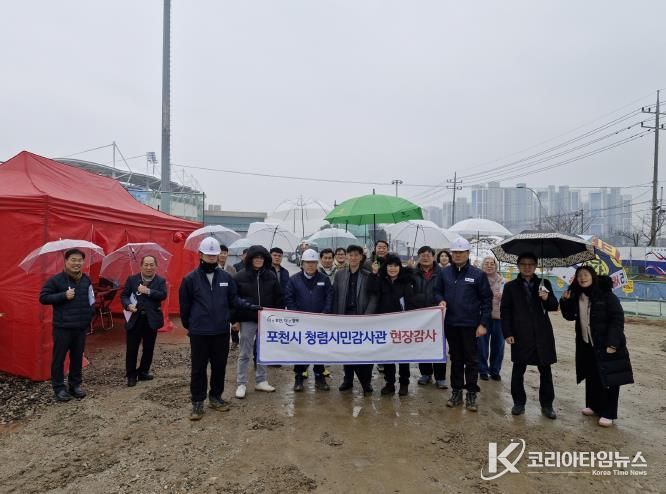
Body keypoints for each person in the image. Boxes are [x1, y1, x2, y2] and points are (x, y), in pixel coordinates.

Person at [179, 237, 257, 420]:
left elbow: (234, 300)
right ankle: (197, 402)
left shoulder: (226, 278)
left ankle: (215, 397)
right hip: (199, 333)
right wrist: (192, 326)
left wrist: (250, 306)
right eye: (209, 255)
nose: (212, 258)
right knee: (198, 369)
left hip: (221, 331)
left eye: (214, 255)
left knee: (219, 366)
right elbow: (185, 308)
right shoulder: (190, 279)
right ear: (200, 255)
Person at [560, 266, 633, 427]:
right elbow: (569, 316)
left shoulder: (606, 295)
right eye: (579, 275)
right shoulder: (577, 295)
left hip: (606, 344)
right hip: (587, 344)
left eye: (586, 275)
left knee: (609, 379)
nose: (582, 278)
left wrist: (613, 343)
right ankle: (594, 406)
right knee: (592, 376)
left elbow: (617, 319)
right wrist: (565, 301)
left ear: (592, 276)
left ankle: (608, 413)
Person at [434, 237, 492, 412]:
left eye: (461, 252)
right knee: (456, 359)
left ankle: (471, 393)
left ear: (467, 253)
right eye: (455, 252)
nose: (457, 255)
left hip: (470, 325)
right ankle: (457, 392)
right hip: (451, 324)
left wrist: (483, 324)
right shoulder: (444, 273)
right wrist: (440, 300)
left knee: (472, 360)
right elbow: (437, 291)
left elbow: (487, 301)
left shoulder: (478, 274)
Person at [500, 252, 559, 419]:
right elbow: (505, 311)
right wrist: (508, 332)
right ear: (518, 266)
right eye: (523, 264)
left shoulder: (544, 283)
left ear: (535, 266)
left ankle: (547, 405)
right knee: (518, 370)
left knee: (545, 370)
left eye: (531, 264)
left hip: (542, 334)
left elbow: (554, 306)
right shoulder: (511, 286)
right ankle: (519, 403)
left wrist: (546, 297)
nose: (527, 267)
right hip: (520, 334)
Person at [39, 249, 95, 402]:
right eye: (73, 260)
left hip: (80, 327)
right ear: (66, 261)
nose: (77, 263)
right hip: (63, 327)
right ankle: (59, 388)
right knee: (59, 358)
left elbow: (91, 299)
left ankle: (75, 385)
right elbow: (43, 297)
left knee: (77, 357)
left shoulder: (86, 279)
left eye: (79, 260)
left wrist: (90, 314)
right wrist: (63, 295)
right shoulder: (56, 280)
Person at [232, 245, 283, 399]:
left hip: (266, 320)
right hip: (247, 319)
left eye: (261, 257)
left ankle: (261, 380)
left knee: (263, 351)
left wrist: (277, 316)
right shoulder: (239, 276)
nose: (259, 260)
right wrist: (235, 320)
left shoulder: (271, 276)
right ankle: (241, 383)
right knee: (244, 353)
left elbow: (278, 298)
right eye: (256, 257)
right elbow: (234, 300)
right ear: (250, 259)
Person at [285, 248, 333, 392]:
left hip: (320, 322)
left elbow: (329, 298)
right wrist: (298, 315)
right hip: (301, 323)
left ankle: (319, 377)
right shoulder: (294, 280)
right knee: (300, 350)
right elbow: (289, 299)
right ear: (302, 263)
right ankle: (299, 378)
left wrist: (324, 314)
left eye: (313, 262)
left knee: (319, 350)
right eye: (307, 262)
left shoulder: (324, 279)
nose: (310, 265)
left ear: (317, 263)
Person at [368, 253, 416, 396]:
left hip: (402, 324)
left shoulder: (405, 282)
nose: (392, 269)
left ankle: (404, 383)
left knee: (403, 356)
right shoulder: (381, 280)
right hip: (385, 323)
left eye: (396, 266)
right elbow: (371, 289)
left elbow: (411, 301)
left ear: (400, 267)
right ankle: (389, 383)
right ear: (386, 267)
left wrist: (410, 269)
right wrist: (374, 273)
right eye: (390, 266)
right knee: (388, 355)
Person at [332, 244, 376, 395]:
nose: (353, 258)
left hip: (362, 318)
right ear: (346, 257)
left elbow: (373, 298)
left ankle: (366, 382)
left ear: (361, 257)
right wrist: (335, 316)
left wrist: (367, 316)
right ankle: (348, 379)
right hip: (345, 317)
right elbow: (335, 296)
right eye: (350, 255)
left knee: (365, 351)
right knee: (347, 350)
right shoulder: (340, 275)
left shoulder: (368, 275)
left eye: (356, 255)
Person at [121, 255, 168, 387]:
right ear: (141, 266)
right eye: (146, 264)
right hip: (134, 319)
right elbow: (124, 295)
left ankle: (143, 371)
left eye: (151, 264)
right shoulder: (132, 279)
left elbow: (163, 295)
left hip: (151, 320)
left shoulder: (160, 280)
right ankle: (131, 375)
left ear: (156, 266)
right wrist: (128, 305)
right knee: (132, 348)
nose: (148, 267)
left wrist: (147, 291)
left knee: (148, 348)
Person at [412, 246, 448, 389]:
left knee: (438, 345)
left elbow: (446, 291)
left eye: (428, 255)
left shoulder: (442, 273)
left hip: (437, 315)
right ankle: (425, 373)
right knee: (422, 344)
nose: (425, 257)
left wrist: (442, 301)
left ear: (433, 257)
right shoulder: (413, 273)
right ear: (418, 257)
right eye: (422, 255)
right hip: (420, 314)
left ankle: (440, 377)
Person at [477, 256, 505, 382]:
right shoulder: (478, 280)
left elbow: (510, 300)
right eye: (486, 263)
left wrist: (504, 297)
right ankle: (483, 370)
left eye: (492, 264)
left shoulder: (503, 281)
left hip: (499, 317)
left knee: (498, 345)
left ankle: (495, 370)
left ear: (496, 266)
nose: (489, 266)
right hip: (483, 317)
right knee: (482, 345)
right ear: (482, 266)